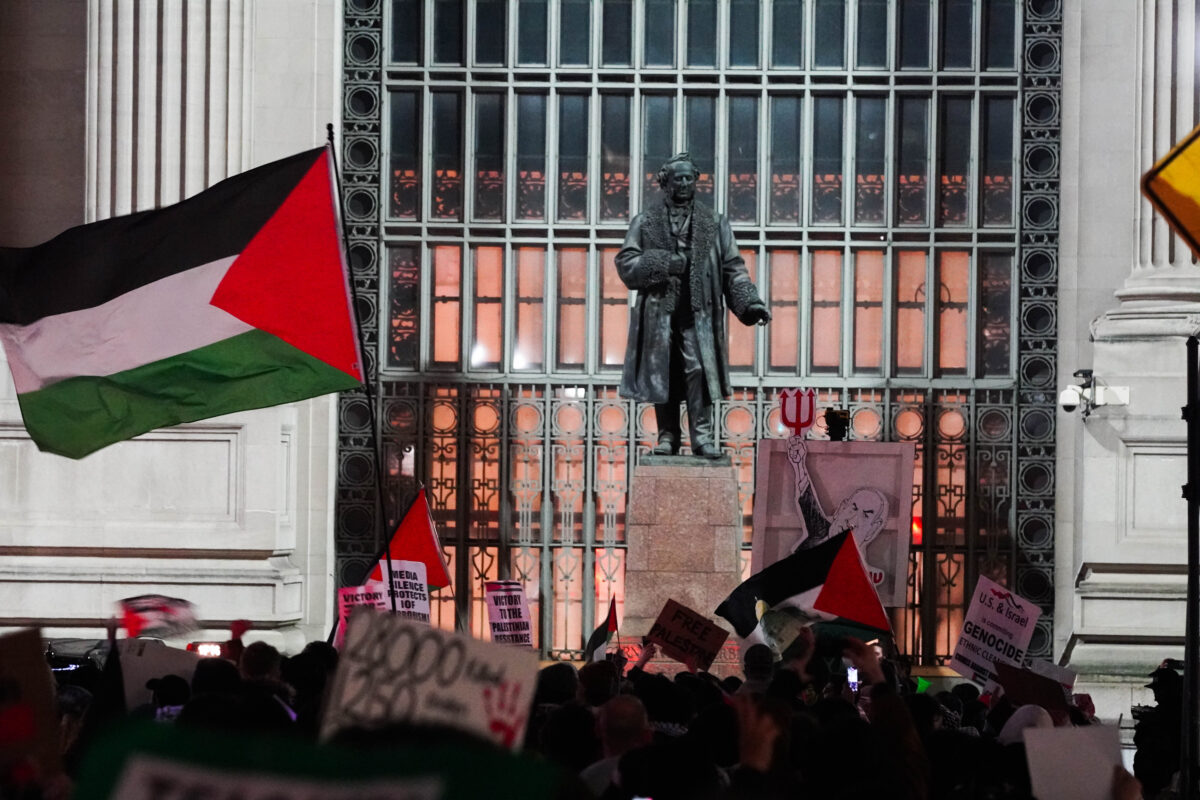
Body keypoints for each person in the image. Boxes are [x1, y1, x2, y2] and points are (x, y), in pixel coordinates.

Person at [616, 153, 770, 458]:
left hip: (698, 314)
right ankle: (667, 437)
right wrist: (664, 263)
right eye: (679, 178)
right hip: (660, 313)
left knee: (699, 369)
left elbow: (733, 269)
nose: (685, 183)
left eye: (690, 178)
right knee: (664, 372)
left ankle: (701, 437)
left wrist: (750, 303)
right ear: (665, 183)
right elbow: (626, 263)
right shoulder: (645, 222)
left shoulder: (715, 223)